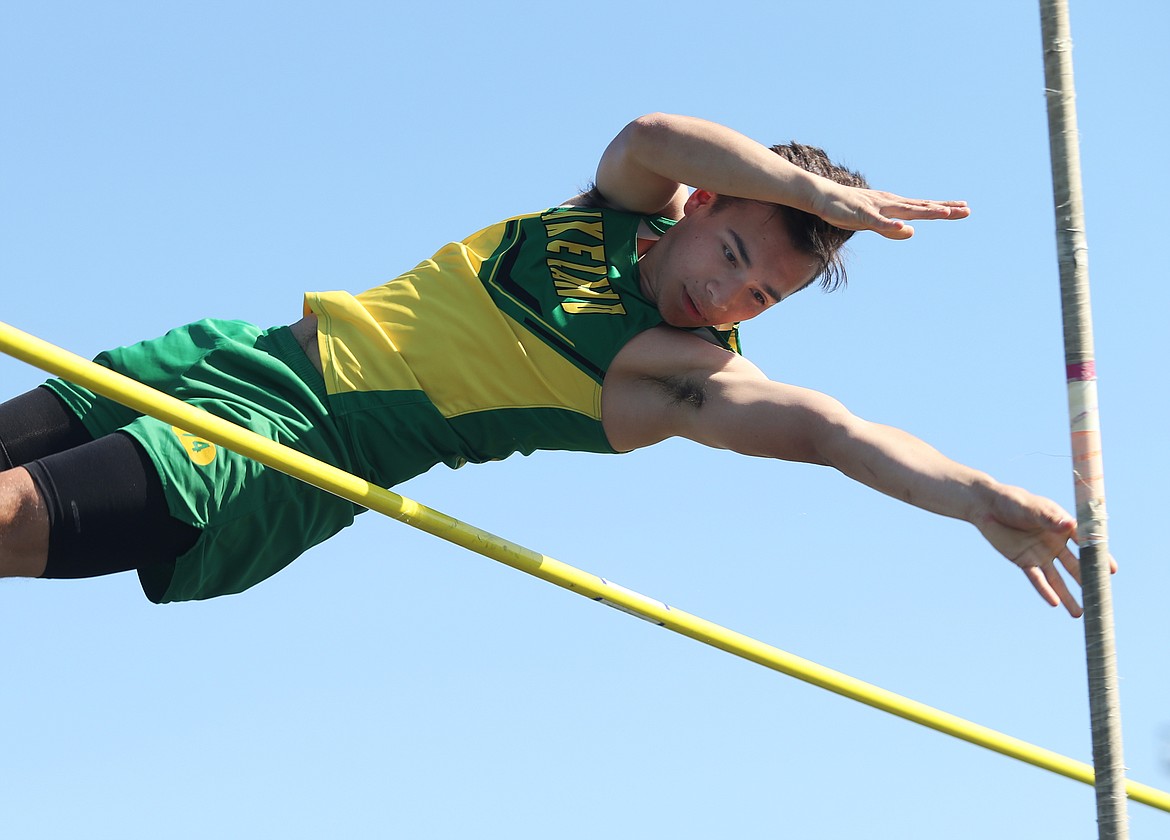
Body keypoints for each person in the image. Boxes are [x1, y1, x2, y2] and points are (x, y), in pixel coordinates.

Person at [0, 113, 1094, 614]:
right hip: (234, 358)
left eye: (762, 295)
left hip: (290, 446)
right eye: (729, 257)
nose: (727, 298)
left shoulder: (675, 369)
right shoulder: (622, 204)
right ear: (701, 204)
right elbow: (652, 132)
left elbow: (831, 430)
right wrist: (812, 193)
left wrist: (977, 498)